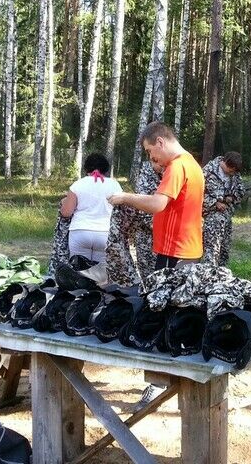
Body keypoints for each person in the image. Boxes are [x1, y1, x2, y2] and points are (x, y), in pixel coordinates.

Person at [108, 122, 204, 409]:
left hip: (175, 252)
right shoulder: (192, 163)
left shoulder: (177, 166)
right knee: (179, 312)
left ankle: (158, 384)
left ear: (161, 142)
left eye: (151, 152)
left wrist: (125, 197)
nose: (153, 159)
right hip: (186, 250)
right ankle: (177, 377)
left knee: (161, 314)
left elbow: (157, 204)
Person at [60, 153, 123, 266]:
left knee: (79, 270)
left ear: (86, 168)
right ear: (106, 169)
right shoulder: (114, 185)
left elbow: (66, 212)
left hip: (80, 232)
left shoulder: (78, 185)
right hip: (105, 233)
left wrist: (63, 202)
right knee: (102, 271)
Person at [202, 151, 245, 267]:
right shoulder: (208, 171)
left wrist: (232, 197)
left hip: (227, 216)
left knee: (224, 249)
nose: (232, 173)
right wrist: (215, 203)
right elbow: (197, 194)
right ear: (225, 163)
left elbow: (241, 191)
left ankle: (221, 273)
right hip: (211, 218)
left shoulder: (235, 174)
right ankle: (209, 273)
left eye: (234, 171)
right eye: (231, 170)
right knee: (211, 250)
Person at [131, 159, 164, 280]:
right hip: (147, 235)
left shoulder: (168, 173)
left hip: (164, 236)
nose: (162, 166)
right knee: (148, 274)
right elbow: (143, 206)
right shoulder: (146, 176)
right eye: (159, 164)